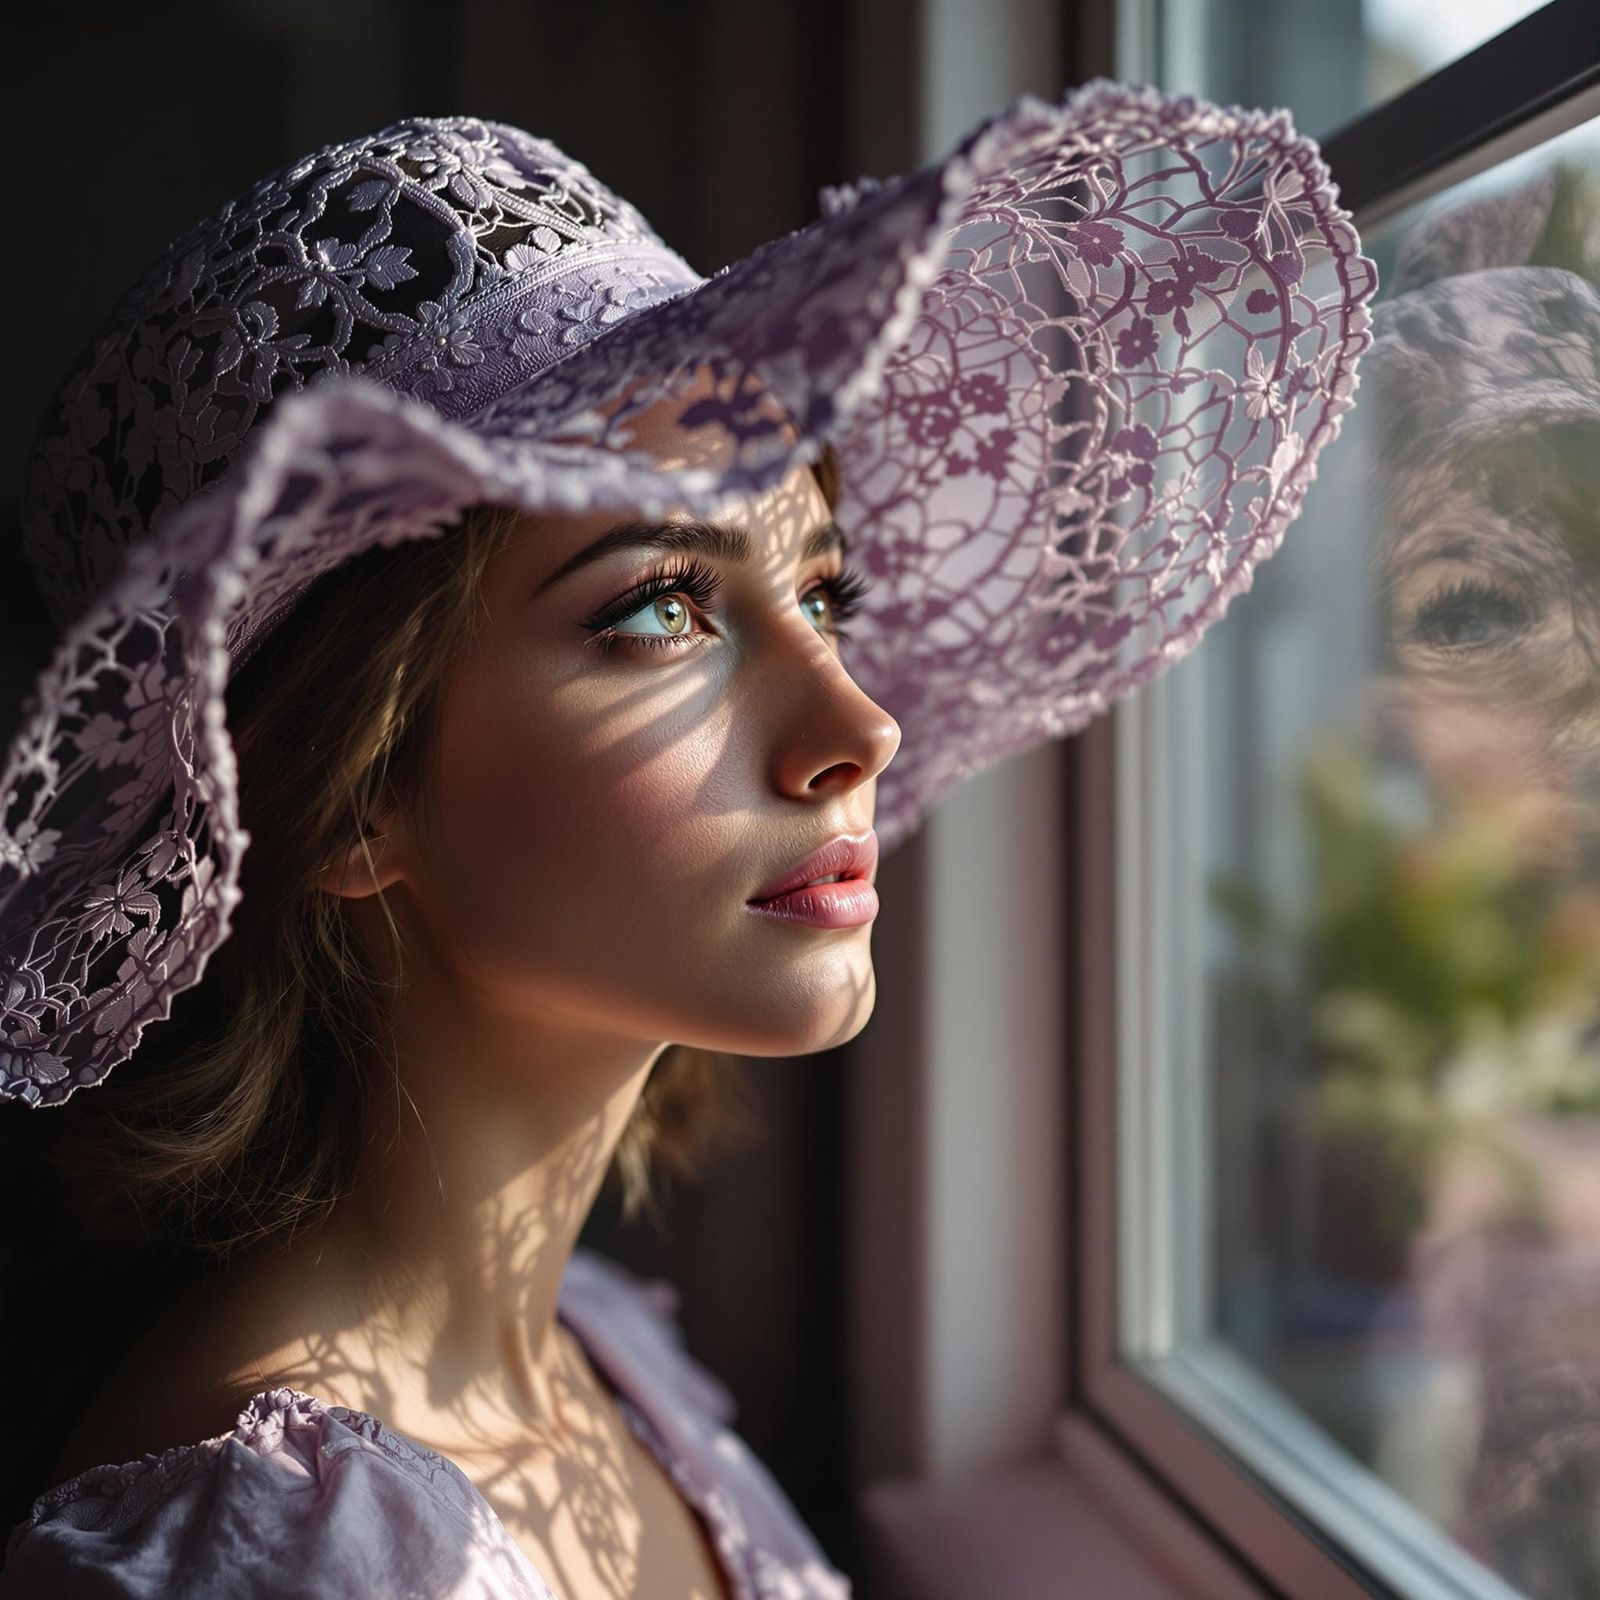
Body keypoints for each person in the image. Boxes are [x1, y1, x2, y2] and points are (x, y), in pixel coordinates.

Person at [0, 84, 1375, 1597]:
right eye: (661, 608)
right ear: (347, 792)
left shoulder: (603, 1348)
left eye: (826, 595)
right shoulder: (278, 1560)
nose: (860, 725)